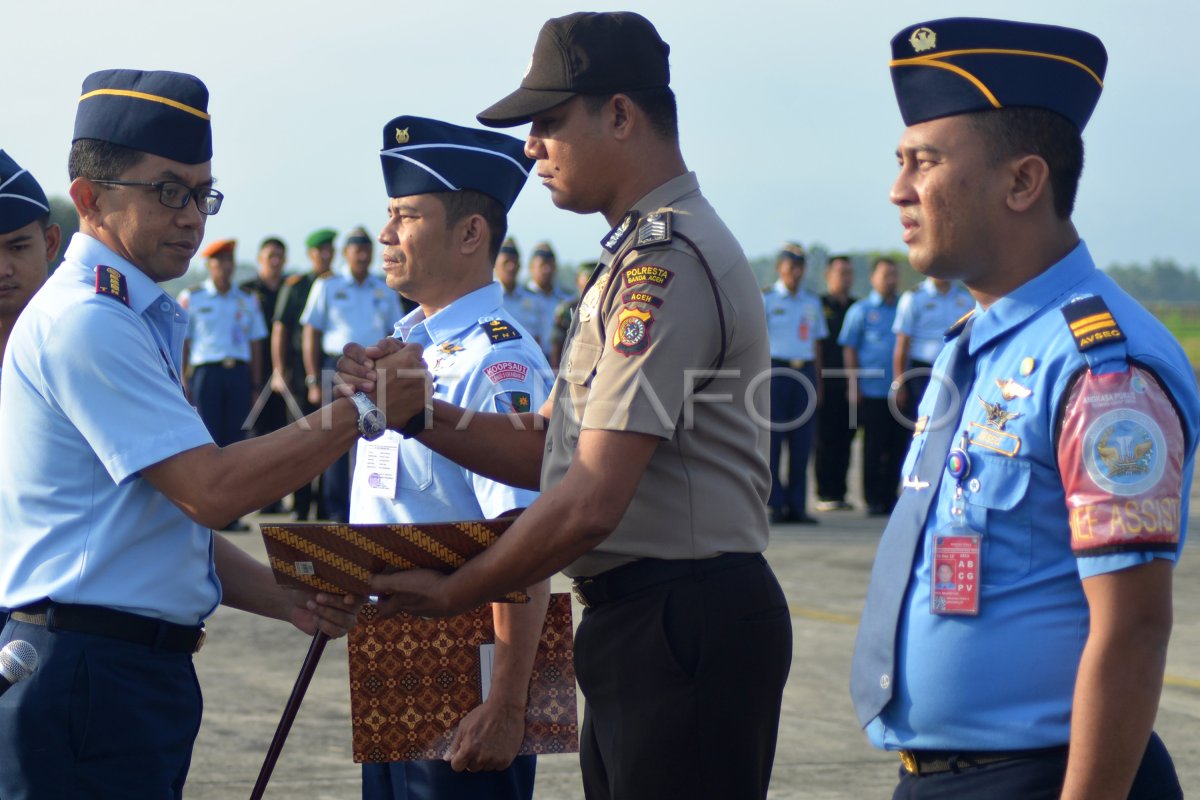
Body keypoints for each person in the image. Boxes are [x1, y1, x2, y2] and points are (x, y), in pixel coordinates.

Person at [340, 12, 791, 800]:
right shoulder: (631, 259)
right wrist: (419, 416)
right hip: (640, 620)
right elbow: (558, 451)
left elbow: (587, 499)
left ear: (620, 115)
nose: (532, 148)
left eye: (549, 123)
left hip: (682, 617)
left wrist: (458, 593)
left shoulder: (667, 264)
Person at [0, 68, 428, 799]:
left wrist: (284, 596)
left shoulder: (133, 314)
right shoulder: (88, 321)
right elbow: (210, 489)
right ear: (88, 199)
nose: (193, 215)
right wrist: (361, 411)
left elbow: (154, 527)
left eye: (203, 193)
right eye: (168, 191)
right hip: (87, 676)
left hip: (124, 674)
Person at [849, 19, 1199, 800]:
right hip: (948, 776)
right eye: (899, 163)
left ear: (1022, 182)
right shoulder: (980, 343)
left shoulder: (1101, 367)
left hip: (1042, 780)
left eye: (925, 162)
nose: (899, 190)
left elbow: (1135, 627)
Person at [355, 114, 553, 800]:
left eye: (406, 216)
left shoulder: (496, 360)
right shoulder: (411, 348)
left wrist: (507, 704)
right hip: (391, 664)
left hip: (463, 675)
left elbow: (527, 543)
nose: (384, 235)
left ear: (471, 234)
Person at [301, 226, 403, 522]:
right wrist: (311, 377)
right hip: (336, 365)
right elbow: (310, 331)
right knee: (334, 435)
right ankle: (335, 509)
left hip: (372, 366)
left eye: (366, 247)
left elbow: (394, 332)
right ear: (345, 253)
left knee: (372, 435)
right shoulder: (328, 285)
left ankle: (364, 506)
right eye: (355, 248)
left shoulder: (382, 287)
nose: (361, 253)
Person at [0, 150, 61, 633]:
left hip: (46, 621)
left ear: (51, 242)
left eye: (17, 247)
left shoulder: (81, 353)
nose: (2, 268)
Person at [179, 238, 269, 531]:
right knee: (207, 441)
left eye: (229, 262)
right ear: (210, 266)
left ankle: (232, 514)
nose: (225, 268)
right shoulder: (192, 297)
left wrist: (256, 384)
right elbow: (184, 342)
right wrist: (183, 378)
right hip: (206, 374)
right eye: (219, 262)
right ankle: (205, 513)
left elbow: (256, 343)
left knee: (235, 443)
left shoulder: (246, 299)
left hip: (238, 374)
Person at [272, 226, 337, 520]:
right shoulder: (296, 284)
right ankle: (299, 505)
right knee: (300, 436)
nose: (326, 255)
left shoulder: (338, 285)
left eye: (330, 250)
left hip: (329, 367)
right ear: (311, 254)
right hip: (299, 370)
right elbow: (281, 328)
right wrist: (278, 369)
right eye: (321, 251)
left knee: (329, 436)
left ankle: (324, 504)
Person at [763, 242, 827, 524]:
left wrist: (819, 381)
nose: (796, 272)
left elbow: (816, 344)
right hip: (775, 372)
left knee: (802, 443)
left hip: (805, 373)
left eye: (800, 267)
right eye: (791, 267)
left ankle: (798, 506)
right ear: (780, 268)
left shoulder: (811, 302)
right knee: (773, 442)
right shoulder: (766, 299)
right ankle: (775, 504)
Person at [839, 258, 904, 516]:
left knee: (899, 444)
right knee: (874, 446)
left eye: (894, 275)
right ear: (873, 278)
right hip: (872, 389)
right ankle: (872, 498)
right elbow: (849, 348)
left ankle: (891, 496)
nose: (891, 280)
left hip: (899, 388)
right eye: (886, 275)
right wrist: (853, 384)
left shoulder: (903, 307)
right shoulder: (861, 310)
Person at [241, 238, 291, 476]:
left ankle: (278, 493)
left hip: (286, 368)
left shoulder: (290, 288)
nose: (275, 261)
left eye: (280, 256)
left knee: (283, 430)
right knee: (256, 429)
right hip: (256, 367)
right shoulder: (246, 290)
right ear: (259, 259)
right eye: (270, 256)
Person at [892, 275, 972, 422]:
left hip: (956, 368)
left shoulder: (966, 297)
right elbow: (902, 343)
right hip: (923, 371)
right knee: (923, 421)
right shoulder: (913, 297)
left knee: (953, 419)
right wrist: (899, 383)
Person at [814, 254, 857, 512]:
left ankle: (840, 492)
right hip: (825, 381)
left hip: (849, 383)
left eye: (850, 273)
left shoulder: (855, 306)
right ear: (828, 275)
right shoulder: (819, 305)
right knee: (825, 439)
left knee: (847, 438)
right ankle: (824, 493)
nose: (846, 278)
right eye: (841, 272)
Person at [524, 241, 571, 359]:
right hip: (530, 360)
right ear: (531, 268)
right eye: (542, 265)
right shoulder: (521, 297)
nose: (547, 270)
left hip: (561, 362)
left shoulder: (566, 300)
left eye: (550, 265)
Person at [548, 260, 598, 369]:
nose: (591, 282)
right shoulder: (568, 308)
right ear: (577, 280)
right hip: (571, 366)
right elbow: (557, 343)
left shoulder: (605, 308)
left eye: (595, 278)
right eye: (587, 277)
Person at [493, 236, 542, 343]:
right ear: (495, 265)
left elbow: (538, 336)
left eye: (514, 262)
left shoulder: (533, 298)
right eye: (506, 262)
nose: (511, 267)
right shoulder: (489, 298)